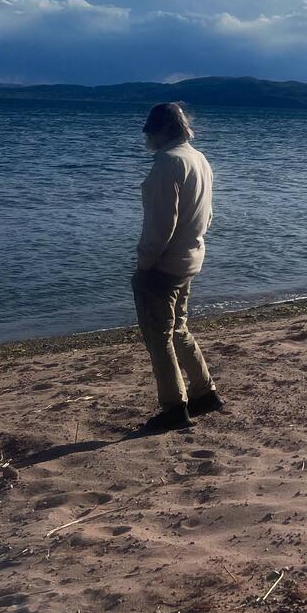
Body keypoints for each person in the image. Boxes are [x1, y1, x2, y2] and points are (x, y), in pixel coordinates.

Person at [132, 102, 224, 430]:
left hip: (165, 264)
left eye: (149, 130)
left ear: (159, 130)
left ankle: (173, 408)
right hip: (190, 258)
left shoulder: (167, 163)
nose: (146, 137)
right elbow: (207, 216)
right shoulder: (199, 159)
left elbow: (160, 226)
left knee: (159, 337)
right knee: (178, 328)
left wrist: (145, 264)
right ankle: (204, 392)